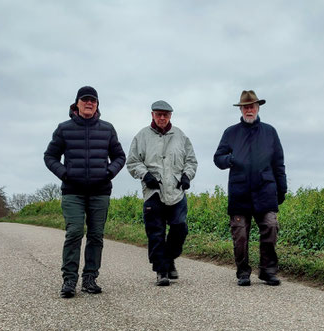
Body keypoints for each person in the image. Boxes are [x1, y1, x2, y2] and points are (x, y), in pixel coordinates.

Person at [44, 86, 126, 298]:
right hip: (73, 191)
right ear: (77, 103)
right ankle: (69, 280)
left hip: (100, 191)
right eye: (85, 100)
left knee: (96, 235)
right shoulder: (64, 129)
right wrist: (64, 174)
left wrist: (109, 172)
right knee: (74, 232)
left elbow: (119, 157)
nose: (89, 103)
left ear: (97, 105)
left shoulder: (107, 129)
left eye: (93, 100)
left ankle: (90, 277)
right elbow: (50, 157)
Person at [213, 90, 287, 287]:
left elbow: (278, 163)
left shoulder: (270, 132)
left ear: (258, 108)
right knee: (240, 235)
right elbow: (218, 159)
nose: (249, 110)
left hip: (265, 190)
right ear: (241, 109)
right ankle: (243, 272)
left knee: (271, 227)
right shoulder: (231, 132)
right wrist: (230, 159)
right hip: (240, 192)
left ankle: (268, 271)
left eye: (252, 106)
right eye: (245, 107)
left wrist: (282, 189)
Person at [127, 100, 198, 286]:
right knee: (156, 233)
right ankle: (161, 271)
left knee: (180, 228)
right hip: (154, 192)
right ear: (152, 115)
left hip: (176, 191)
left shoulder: (181, 136)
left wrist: (186, 176)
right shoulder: (141, 137)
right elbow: (133, 162)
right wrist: (145, 175)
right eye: (158, 114)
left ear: (170, 116)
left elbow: (191, 161)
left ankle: (169, 258)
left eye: (165, 114)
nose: (162, 117)